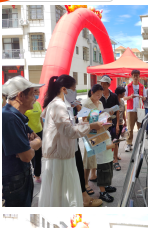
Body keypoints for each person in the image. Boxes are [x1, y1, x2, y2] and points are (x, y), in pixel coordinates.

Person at [39, 74, 108, 207]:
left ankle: (82, 201)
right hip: (60, 157)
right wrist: (90, 126)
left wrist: (81, 120)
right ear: (64, 89)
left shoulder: (61, 104)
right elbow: (69, 131)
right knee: (62, 193)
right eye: (74, 89)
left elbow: (67, 126)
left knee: (65, 191)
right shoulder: (58, 105)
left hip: (64, 153)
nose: (75, 92)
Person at [2, 76, 43, 207]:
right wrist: (29, 147)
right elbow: (27, 156)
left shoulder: (17, 117)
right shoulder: (9, 118)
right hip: (14, 182)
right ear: (20, 96)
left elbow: (38, 140)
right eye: (32, 94)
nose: (35, 98)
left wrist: (28, 145)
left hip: (21, 178)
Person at [99, 75, 120, 172]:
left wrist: (117, 125)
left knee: (115, 140)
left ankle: (115, 160)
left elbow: (117, 111)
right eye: (101, 83)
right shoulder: (99, 96)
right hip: (102, 122)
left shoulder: (114, 96)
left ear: (108, 85)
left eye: (104, 84)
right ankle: (106, 160)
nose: (102, 85)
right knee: (104, 140)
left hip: (113, 121)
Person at [124, 69, 147, 152]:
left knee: (140, 128)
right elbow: (124, 97)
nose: (136, 77)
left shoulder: (142, 86)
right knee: (130, 128)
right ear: (132, 76)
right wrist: (130, 97)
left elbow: (145, 98)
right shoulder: (128, 86)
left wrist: (142, 97)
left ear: (139, 76)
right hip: (131, 109)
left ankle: (140, 143)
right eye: (134, 76)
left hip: (140, 109)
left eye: (137, 75)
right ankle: (129, 144)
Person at [25, 89, 44, 183]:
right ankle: (33, 171)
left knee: (38, 154)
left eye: (38, 93)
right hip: (29, 133)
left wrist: (43, 128)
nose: (37, 94)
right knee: (32, 154)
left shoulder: (37, 104)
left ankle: (37, 174)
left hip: (39, 131)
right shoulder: (26, 105)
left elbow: (40, 117)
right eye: (35, 93)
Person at [114, 86, 127, 168]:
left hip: (121, 123)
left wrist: (125, 121)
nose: (124, 94)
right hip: (116, 124)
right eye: (123, 93)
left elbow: (123, 112)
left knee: (117, 140)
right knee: (115, 140)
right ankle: (114, 157)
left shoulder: (122, 101)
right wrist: (117, 125)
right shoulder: (114, 101)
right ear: (119, 94)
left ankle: (116, 155)